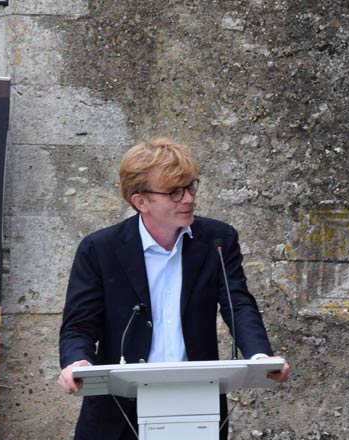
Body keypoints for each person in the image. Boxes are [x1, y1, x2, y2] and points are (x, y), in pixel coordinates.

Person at [59, 138, 290, 440]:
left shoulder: (218, 241)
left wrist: (259, 356)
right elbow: (79, 324)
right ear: (140, 201)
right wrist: (78, 362)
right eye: (174, 192)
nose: (189, 199)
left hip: (196, 402)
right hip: (116, 408)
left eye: (191, 186)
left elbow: (238, 303)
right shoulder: (99, 248)